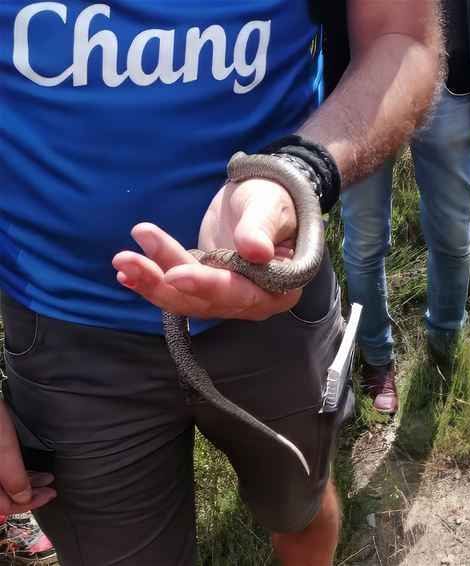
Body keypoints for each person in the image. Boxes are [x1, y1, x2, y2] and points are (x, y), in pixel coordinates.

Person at [0, 2, 442, 564]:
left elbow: (402, 34)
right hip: (64, 339)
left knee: (300, 508)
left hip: (281, 309)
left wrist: (297, 175)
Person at [340, 0, 470, 413]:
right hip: (358, 79)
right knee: (364, 238)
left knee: (453, 234)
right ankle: (376, 358)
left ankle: (445, 343)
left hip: (450, 73)